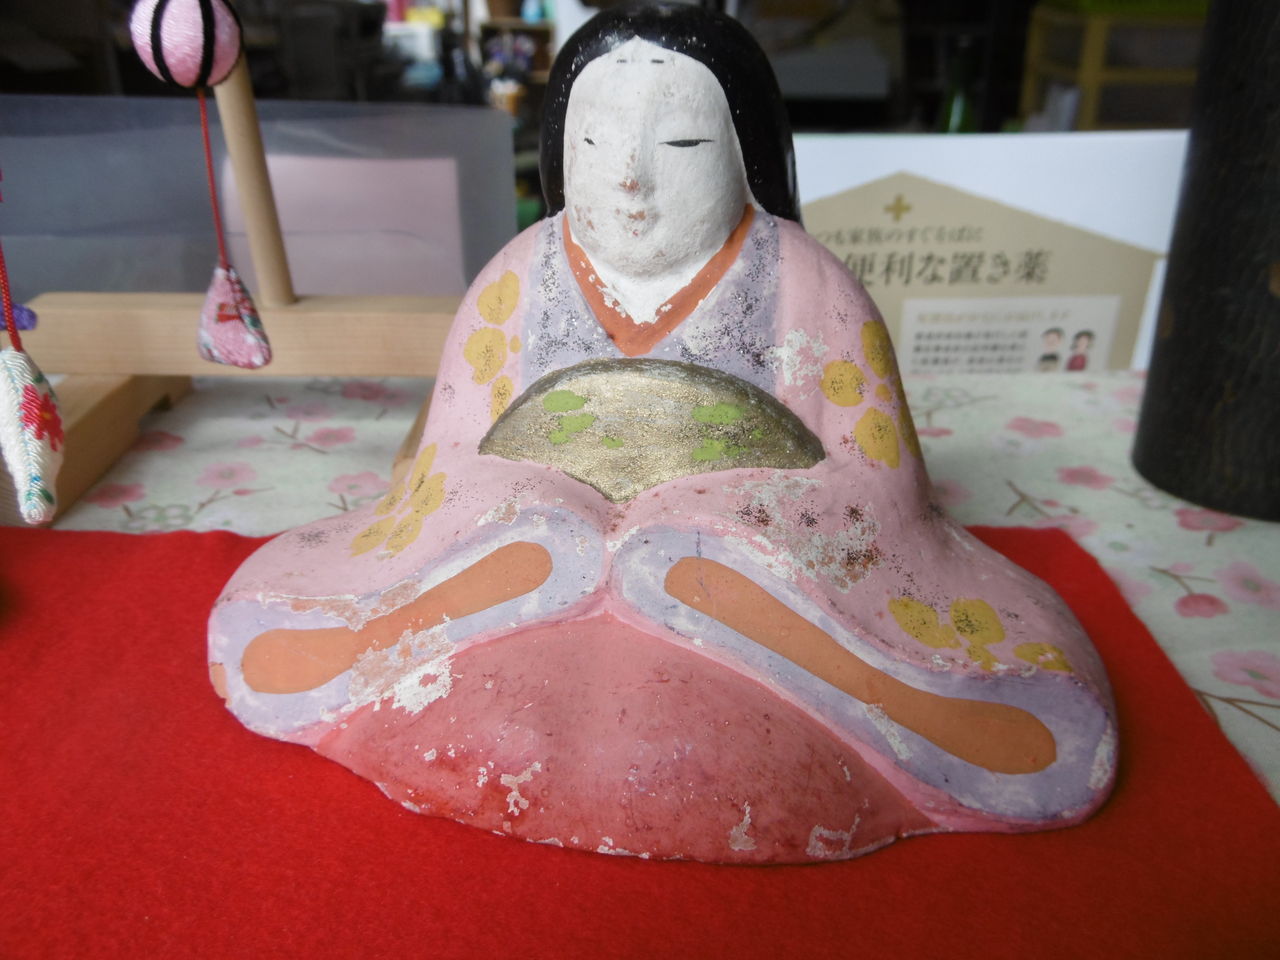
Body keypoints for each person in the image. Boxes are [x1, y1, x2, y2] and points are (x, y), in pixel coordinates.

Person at [208, 3, 1115, 863]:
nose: (631, 180)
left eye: (680, 145)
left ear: (746, 152)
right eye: (594, 144)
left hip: (739, 571)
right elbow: (449, 452)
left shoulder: (809, 285)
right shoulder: (518, 276)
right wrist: (535, 501)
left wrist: (723, 511)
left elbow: (876, 486)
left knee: (687, 560)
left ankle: (888, 694)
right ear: (557, 149)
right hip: (537, 561)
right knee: (536, 540)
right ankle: (390, 633)